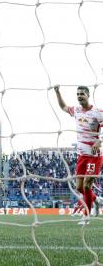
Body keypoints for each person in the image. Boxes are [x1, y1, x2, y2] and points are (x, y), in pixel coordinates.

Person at [54, 85, 102, 225]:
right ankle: (96, 200)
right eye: (78, 94)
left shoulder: (98, 112)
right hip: (81, 155)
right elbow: (63, 107)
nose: (79, 96)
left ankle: (86, 216)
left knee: (87, 185)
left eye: (82, 94)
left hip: (95, 155)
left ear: (88, 95)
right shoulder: (76, 111)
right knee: (79, 187)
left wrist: (100, 140)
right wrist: (57, 92)